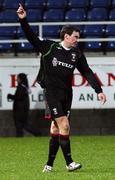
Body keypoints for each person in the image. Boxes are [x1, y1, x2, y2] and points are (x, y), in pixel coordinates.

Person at [17, 4, 106, 172]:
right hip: (52, 93)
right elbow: (31, 37)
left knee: (56, 128)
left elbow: (87, 72)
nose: (77, 40)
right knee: (64, 125)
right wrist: (23, 20)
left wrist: (99, 90)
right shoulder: (49, 47)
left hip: (67, 94)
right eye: (75, 37)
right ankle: (69, 162)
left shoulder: (76, 53)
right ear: (66, 36)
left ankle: (49, 165)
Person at [7, 73, 30, 137]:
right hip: (22, 109)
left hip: (19, 110)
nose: (16, 79)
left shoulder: (21, 87)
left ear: (21, 79)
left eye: (18, 78)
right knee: (24, 125)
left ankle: (20, 136)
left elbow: (19, 97)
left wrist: (10, 96)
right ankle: (20, 136)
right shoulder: (24, 87)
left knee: (20, 125)